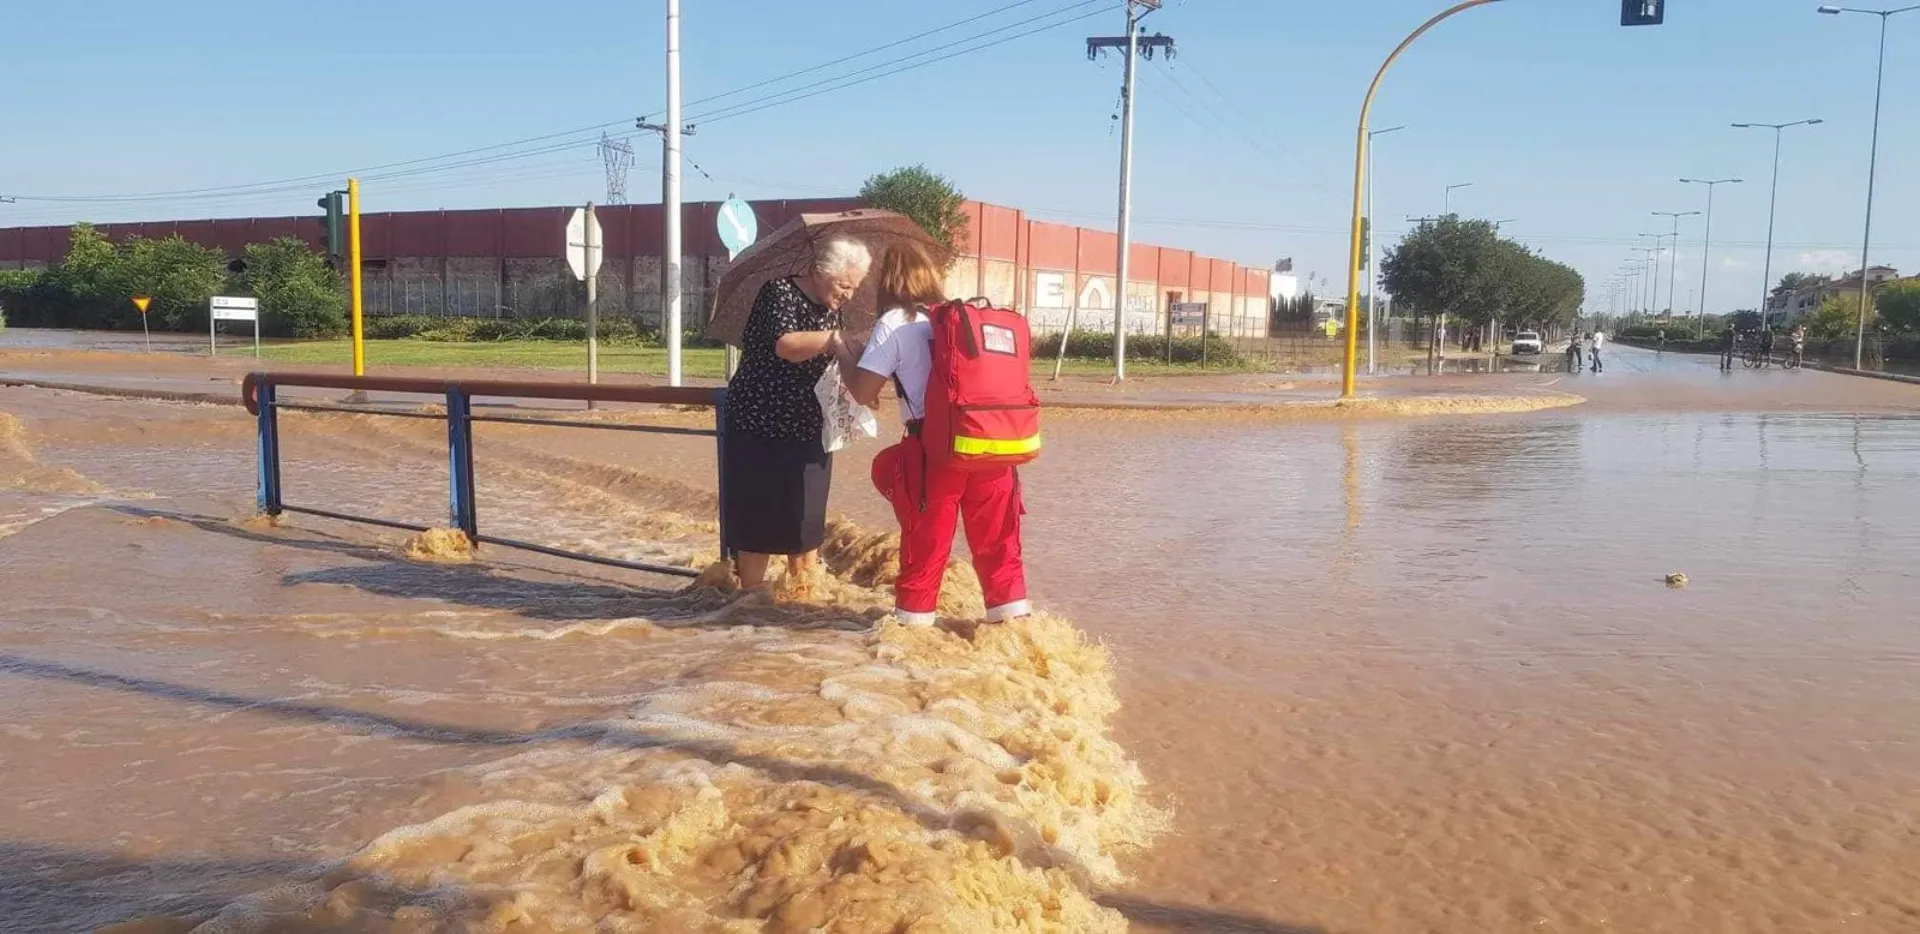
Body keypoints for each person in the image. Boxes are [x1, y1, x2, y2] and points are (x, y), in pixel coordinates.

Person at [848, 244, 1030, 628]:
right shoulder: (964, 318)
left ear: (887, 282)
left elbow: (863, 393)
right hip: (993, 448)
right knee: (1001, 550)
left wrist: (840, 350)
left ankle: (912, 638)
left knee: (924, 551)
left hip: (934, 454)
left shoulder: (895, 322)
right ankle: (1015, 635)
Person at [721, 236, 872, 590]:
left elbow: (841, 359)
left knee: (806, 523)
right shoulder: (779, 293)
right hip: (759, 424)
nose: (849, 294)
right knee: (759, 523)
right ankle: (750, 606)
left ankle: (799, 609)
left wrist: (862, 386)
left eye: (855, 287)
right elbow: (786, 345)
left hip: (809, 427)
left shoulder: (833, 308)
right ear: (818, 272)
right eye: (844, 285)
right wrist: (833, 338)